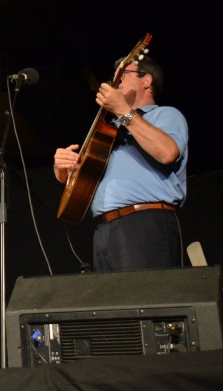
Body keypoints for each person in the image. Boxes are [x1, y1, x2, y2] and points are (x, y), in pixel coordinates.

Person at [53, 55, 188, 272]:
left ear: (146, 81)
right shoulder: (108, 131)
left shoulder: (165, 115)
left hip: (144, 223)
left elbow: (167, 152)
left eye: (124, 74)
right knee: (112, 305)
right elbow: (80, 180)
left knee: (145, 301)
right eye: (114, 76)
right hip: (104, 230)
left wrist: (123, 111)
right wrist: (62, 169)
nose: (116, 80)